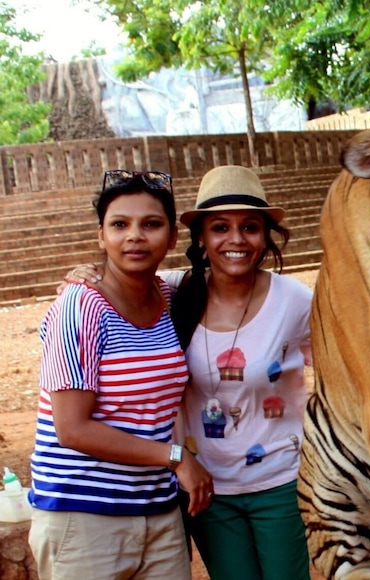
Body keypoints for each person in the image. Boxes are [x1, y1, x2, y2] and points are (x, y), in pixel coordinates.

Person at [66, 165, 313, 580]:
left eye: (250, 227)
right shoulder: (172, 291)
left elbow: (344, 371)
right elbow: (114, 283)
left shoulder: (295, 300)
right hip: (205, 487)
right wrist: (83, 277)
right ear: (200, 237)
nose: (236, 240)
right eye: (220, 228)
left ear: (265, 236)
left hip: (281, 481)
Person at [29, 169, 213, 580]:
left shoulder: (168, 297)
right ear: (101, 236)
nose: (135, 236)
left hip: (158, 512)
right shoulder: (79, 307)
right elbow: (72, 429)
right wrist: (175, 457)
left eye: (151, 224)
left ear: (171, 237)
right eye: (119, 225)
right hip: (84, 516)